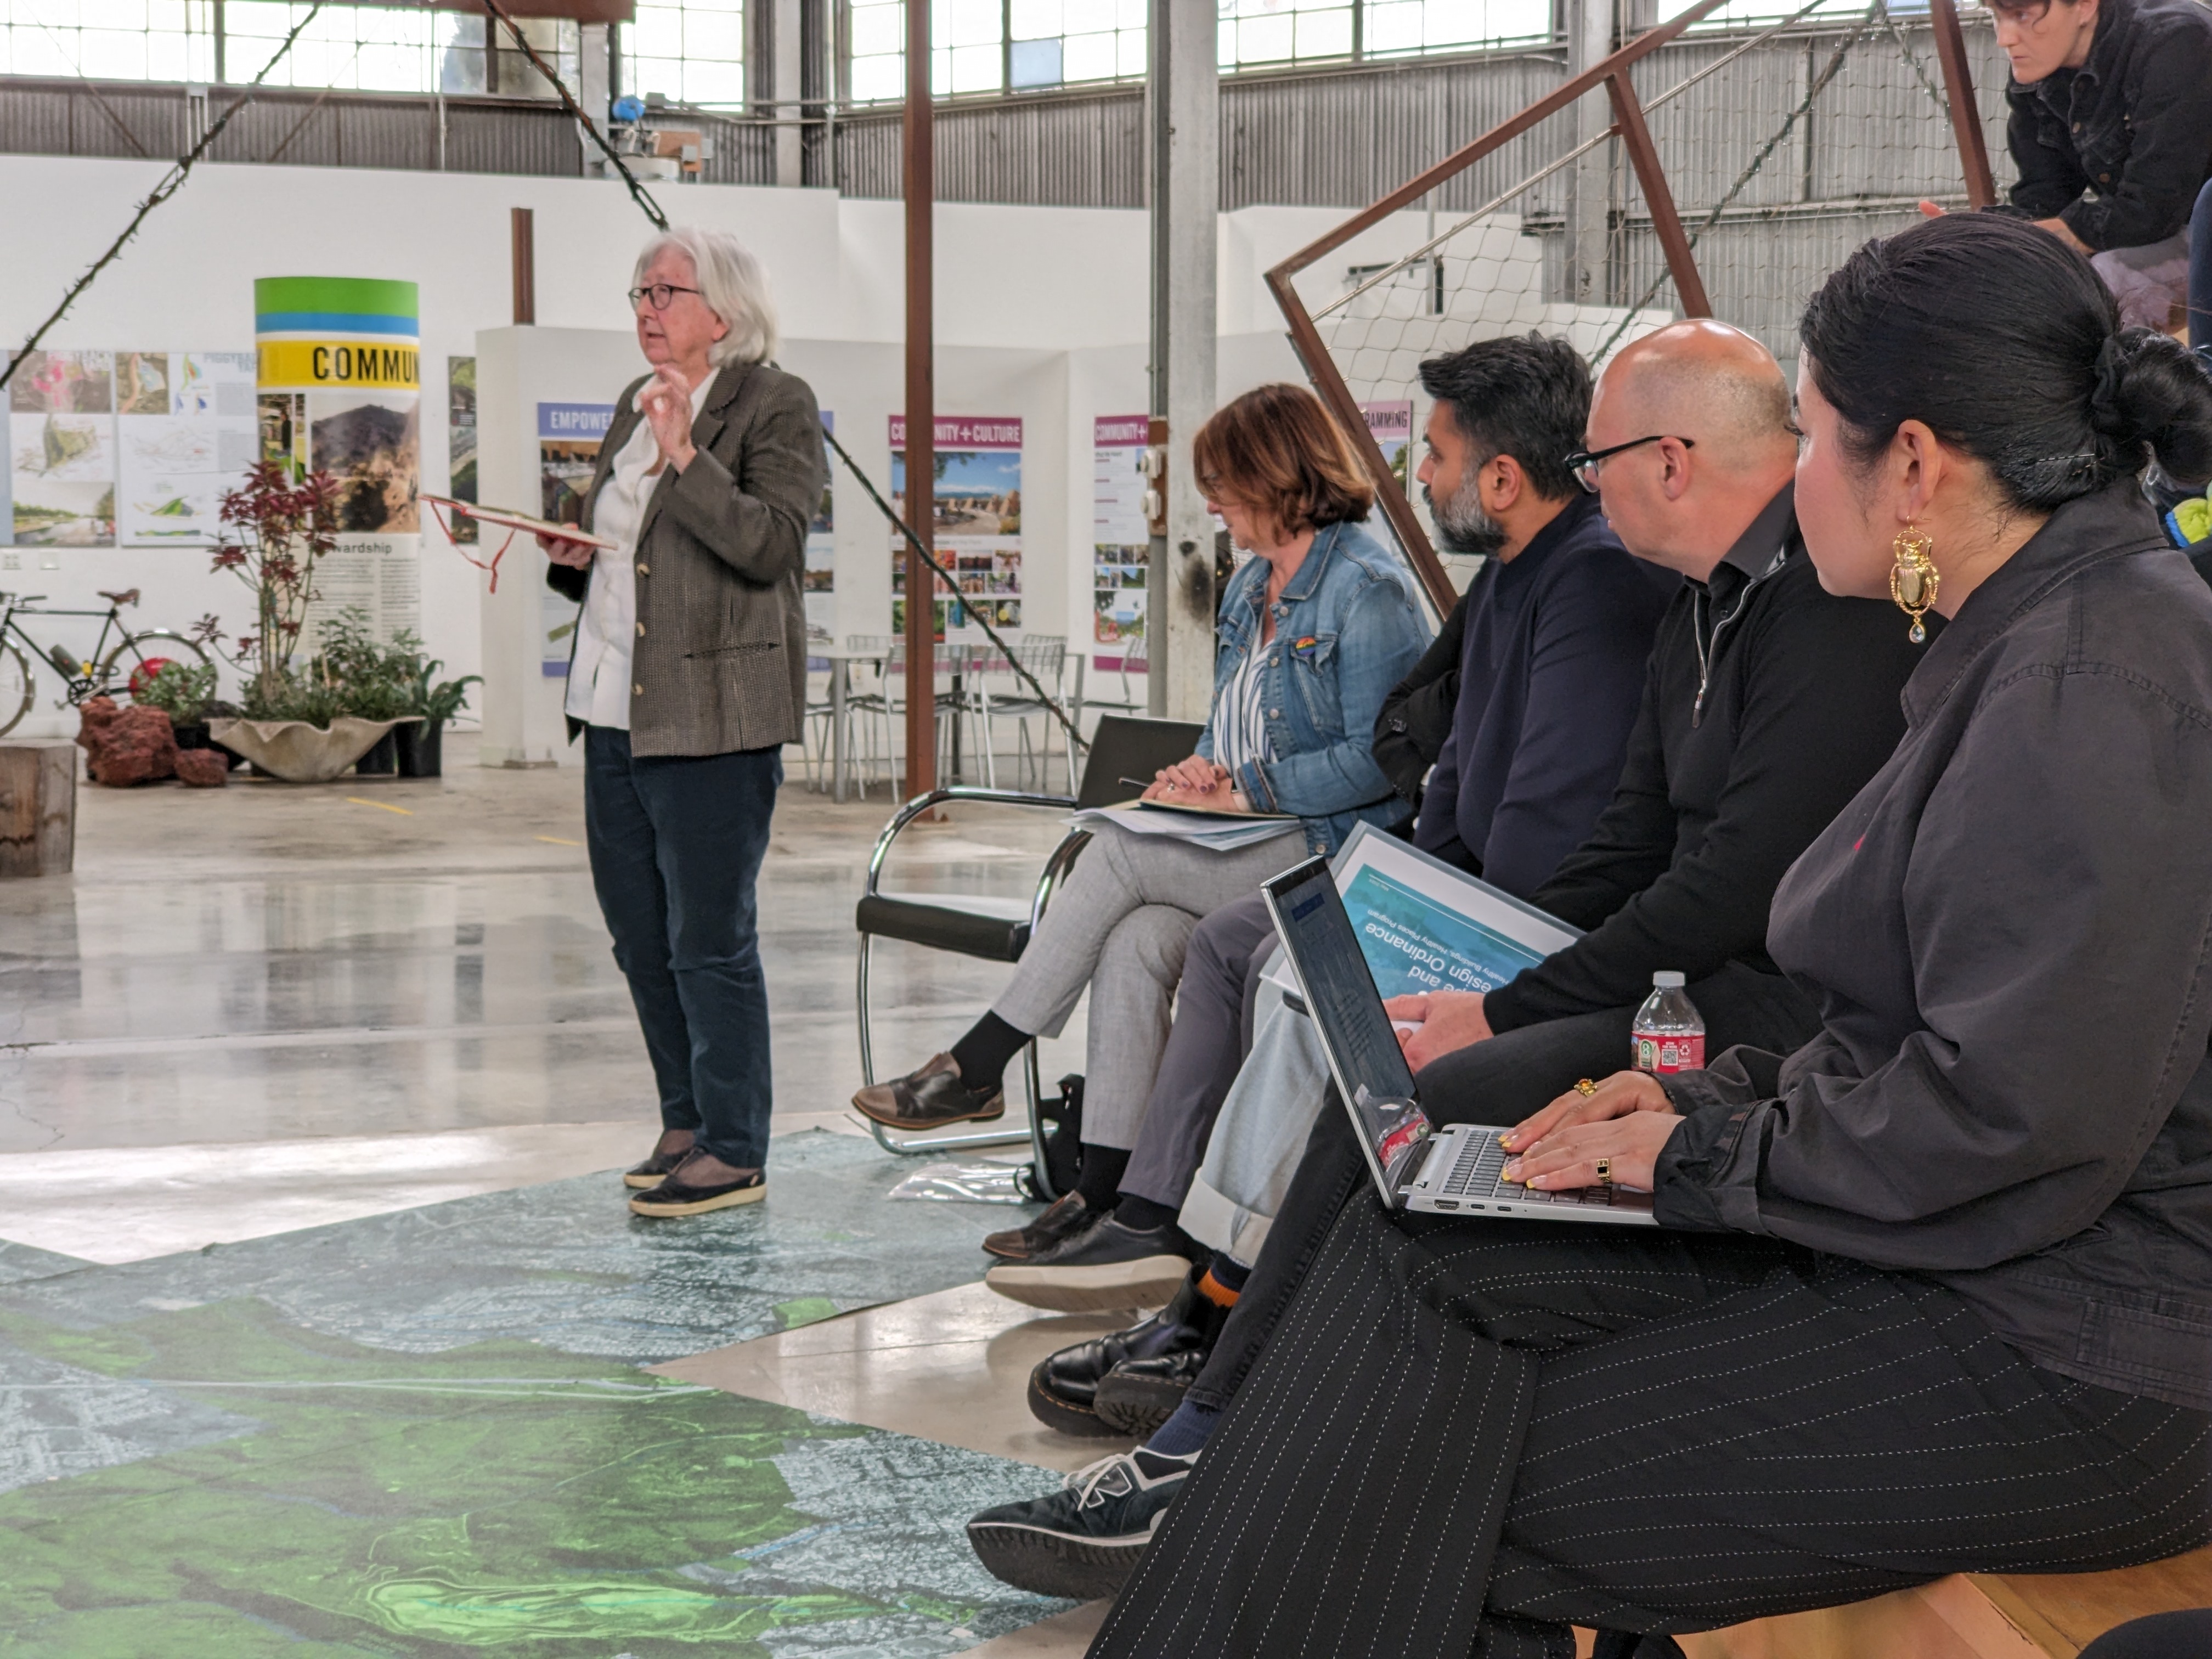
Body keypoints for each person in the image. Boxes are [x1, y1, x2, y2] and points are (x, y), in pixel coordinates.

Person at [1066, 212, 2212, 1658]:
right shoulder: (2023, 637)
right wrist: (1696, 1107)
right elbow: (1930, 1043)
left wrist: (1696, 1152)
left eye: (1813, 435)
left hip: (2077, 1346)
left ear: (1917, 464)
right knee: (1428, 1238)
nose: (1795, 472)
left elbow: (2008, 1120)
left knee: (1418, 1481)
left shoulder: (2092, 678)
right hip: (1978, 1256)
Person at [986, 319, 1933, 1483]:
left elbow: (1731, 885)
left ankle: (1227, 1392)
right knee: (1355, 1011)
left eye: (1595, 463)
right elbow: (1627, 834)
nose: (1586, 488)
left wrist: (1505, 1000)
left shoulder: (1817, 604)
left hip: (1768, 1000)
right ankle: (1224, 1330)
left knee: (1427, 1073)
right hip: (1682, 962)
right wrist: (1489, 959)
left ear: (1669, 463)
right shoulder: (1701, 600)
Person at [985, 334, 1676, 1323]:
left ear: (1502, 478)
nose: (1421, 476)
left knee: (1277, 962)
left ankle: (1227, 1285)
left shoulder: (1587, 577)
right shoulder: (1513, 570)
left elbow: (1536, 810)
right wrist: (1406, 877)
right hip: (1444, 874)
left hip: (1509, 912)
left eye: (1434, 454)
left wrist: (1415, 909)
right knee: (1208, 940)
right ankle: (1150, 1212)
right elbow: (1453, 766)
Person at [853, 383, 1432, 1274]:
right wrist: (1195, 772)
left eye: (1224, 484)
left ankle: (980, 1062)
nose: (1213, 505)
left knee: (1119, 850)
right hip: (1252, 835)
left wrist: (1243, 790)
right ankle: (1110, 1196)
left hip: (1333, 849)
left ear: (1276, 474)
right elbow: (1232, 726)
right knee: (1135, 939)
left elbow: (1379, 762)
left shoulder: (1368, 589)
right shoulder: (1252, 583)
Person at [537, 228, 825, 1220]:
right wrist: (571, 553)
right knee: (640, 937)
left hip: (715, 715)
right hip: (612, 707)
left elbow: (769, 546)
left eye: (666, 292)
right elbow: (631, 553)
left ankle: (735, 1144)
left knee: (709, 939)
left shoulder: (774, 402)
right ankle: (684, 1118)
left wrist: (685, 457)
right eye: (639, 292)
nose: (647, 309)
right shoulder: (637, 397)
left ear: (726, 312)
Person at [1918, 0, 2212, 331]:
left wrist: (2015, 242)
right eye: (1997, 16)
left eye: (2022, 15)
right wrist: (1973, 236)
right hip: (2163, 225)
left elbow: (2151, 210)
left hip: (2193, 222)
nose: (2004, 38)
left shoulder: (2175, 42)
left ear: (2085, 6)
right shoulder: (2038, 71)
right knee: (2021, 281)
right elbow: (2044, 201)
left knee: (2102, 287)